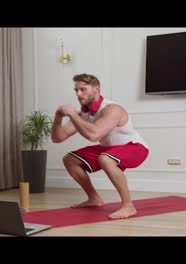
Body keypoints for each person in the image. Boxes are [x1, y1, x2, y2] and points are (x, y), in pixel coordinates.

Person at [51, 73, 149, 219]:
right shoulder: (82, 114)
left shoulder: (111, 109)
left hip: (135, 147)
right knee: (70, 159)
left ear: (96, 88)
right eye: (76, 90)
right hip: (110, 150)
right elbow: (58, 138)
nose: (78, 94)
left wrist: (72, 115)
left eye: (83, 89)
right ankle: (94, 199)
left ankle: (128, 206)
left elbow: (95, 135)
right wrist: (58, 119)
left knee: (105, 159)